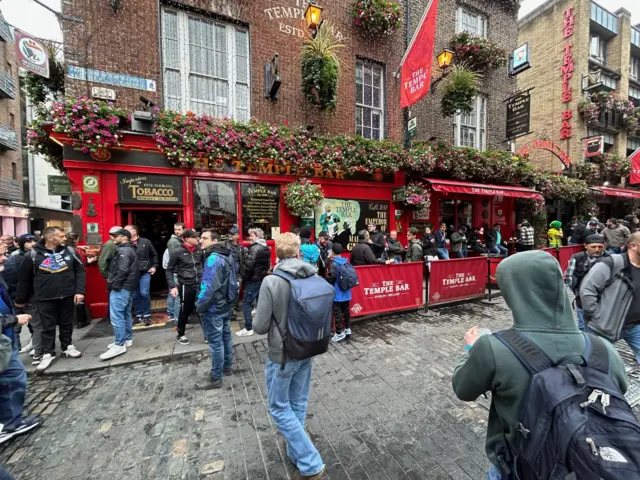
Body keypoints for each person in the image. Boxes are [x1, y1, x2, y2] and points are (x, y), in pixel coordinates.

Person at [452, 250, 627, 480]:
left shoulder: (493, 348)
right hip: (584, 464)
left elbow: (463, 389)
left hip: (518, 465)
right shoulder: (603, 348)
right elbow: (619, 392)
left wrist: (471, 348)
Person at [253, 233, 326, 479]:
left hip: (282, 353)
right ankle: (296, 453)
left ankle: (310, 461)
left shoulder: (272, 281)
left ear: (277, 254)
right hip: (307, 346)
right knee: (297, 402)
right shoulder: (312, 274)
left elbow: (260, 326)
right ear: (298, 252)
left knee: (278, 407)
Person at [15, 226, 85, 372]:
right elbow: (24, 280)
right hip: (44, 297)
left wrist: (79, 291)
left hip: (67, 295)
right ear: (50, 238)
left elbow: (80, 272)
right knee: (47, 326)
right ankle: (48, 352)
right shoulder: (32, 255)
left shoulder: (70, 251)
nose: (64, 238)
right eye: (60, 236)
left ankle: (67, 346)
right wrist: (20, 300)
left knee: (67, 323)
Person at [0, 241, 39, 445]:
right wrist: (14, 319)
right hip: (4, 337)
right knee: (12, 377)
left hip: (5, 337)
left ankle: (9, 422)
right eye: (1, 254)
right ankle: (9, 424)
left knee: (12, 376)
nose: (5, 258)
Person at [581, 232, 640, 366]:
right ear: (633, 246)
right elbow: (588, 290)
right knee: (595, 364)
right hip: (604, 325)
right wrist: (598, 316)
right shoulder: (612, 263)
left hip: (635, 326)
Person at [195, 230, 235, 390]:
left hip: (214, 307)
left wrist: (200, 306)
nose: (200, 241)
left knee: (216, 343)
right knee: (225, 337)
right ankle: (227, 367)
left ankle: (215, 377)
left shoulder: (213, 259)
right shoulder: (226, 255)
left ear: (215, 240)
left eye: (204, 238)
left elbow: (208, 286)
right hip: (224, 304)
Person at [100, 229, 139, 360]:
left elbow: (122, 270)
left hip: (122, 287)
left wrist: (115, 285)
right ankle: (127, 339)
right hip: (129, 286)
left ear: (124, 237)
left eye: (116, 236)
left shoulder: (123, 251)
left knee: (116, 315)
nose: (113, 238)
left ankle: (119, 344)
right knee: (126, 313)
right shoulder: (130, 249)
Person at [166, 229, 203, 346]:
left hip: (200, 284)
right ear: (187, 239)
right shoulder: (177, 252)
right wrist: (172, 286)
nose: (198, 239)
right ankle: (181, 334)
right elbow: (169, 270)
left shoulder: (199, 250)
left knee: (202, 309)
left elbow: (203, 264)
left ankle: (207, 333)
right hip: (186, 285)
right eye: (195, 237)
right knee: (185, 310)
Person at [2, 235, 37, 354]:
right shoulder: (16, 259)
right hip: (21, 298)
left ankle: (29, 347)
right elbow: (17, 281)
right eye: (28, 241)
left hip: (22, 298)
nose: (4, 258)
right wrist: (20, 299)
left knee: (31, 325)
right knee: (19, 326)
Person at [565, 234, 607, 331]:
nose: (597, 250)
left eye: (600, 247)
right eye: (593, 247)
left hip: (604, 300)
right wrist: (578, 292)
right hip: (582, 299)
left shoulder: (610, 259)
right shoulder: (577, 257)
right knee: (583, 326)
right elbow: (569, 276)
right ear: (585, 246)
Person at [238, 228, 270, 337]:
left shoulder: (254, 248)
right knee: (259, 302)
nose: (249, 238)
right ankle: (260, 324)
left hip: (252, 279)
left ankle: (248, 328)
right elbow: (267, 265)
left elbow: (249, 266)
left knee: (246, 304)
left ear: (257, 236)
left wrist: (244, 278)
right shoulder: (266, 247)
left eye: (251, 235)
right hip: (261, 278)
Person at [125, 225, 158, 326]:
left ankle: (147, 315)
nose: (124, 232)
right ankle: (138, 315)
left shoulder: (145, 242)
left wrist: (154, 266)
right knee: (135, 295)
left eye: (126, 230)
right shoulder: (125, 243)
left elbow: (154, 254)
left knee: (144, 293)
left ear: (134, 232)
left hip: (144, 272)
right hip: (131, 274)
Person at [327, 243, 353, 343]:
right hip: (346, 291)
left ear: (332, 252)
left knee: (337, 313)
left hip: (338, 293)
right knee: (346, 311)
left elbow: (331, 278)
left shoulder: (334, 264)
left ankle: (338, 333)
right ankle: (347, 329)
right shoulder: (346, 261)